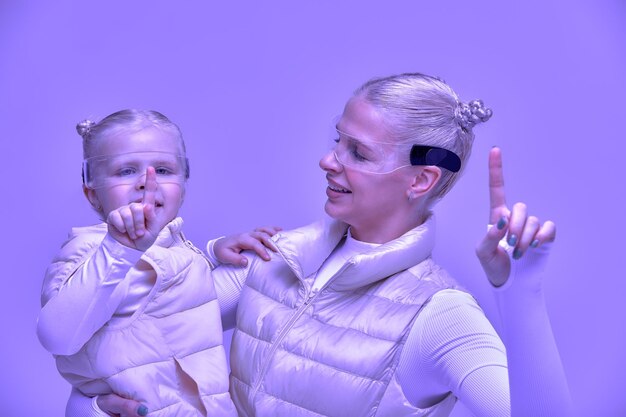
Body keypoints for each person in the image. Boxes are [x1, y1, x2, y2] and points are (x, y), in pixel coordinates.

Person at [69, 73, 574, 416]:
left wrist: (521, 293)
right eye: (338, 139)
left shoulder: (438, 315)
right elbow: (116, 335)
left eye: (358, 151)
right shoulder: (273, 260)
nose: (329, 160)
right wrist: (95, 407)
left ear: (420, 181)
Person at [37, 110, 275, 417]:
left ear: (183, 188)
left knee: (267, 260)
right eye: (125, 171)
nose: (146, 182)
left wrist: (214, 253)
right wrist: (117, 249)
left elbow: (174, 306)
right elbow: (57, 336)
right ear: (92, 194)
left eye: (163, 170)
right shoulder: (90, 250)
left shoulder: (174, 246)